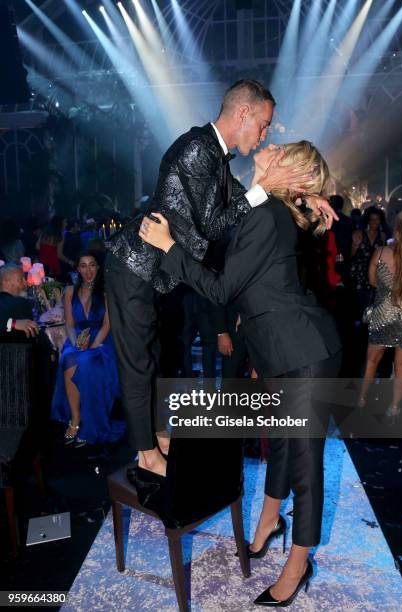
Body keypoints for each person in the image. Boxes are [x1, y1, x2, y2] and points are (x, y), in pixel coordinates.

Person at [105, 79, 337, 486]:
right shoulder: (199, 149)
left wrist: (303, 196)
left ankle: (159, 438)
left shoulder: (217, 158)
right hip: (134, 263)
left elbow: (240, 214)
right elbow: (214, 226)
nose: (265, 134)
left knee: (157, 357)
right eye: (263, 124)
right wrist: (264, 189)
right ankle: (145, 454)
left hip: (158, 274)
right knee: (138, 360)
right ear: (243, 113)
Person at [139, 140, 342, 607]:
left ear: (287, 171)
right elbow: (232, 219)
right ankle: (269, 520)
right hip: (281, 349)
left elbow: (221, 287)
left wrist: (168, 246)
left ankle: (298, 564)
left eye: (279, 147)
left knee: (305, 464)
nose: (268, 144)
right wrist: (305, 199)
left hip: (304, 351)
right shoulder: (265, 208)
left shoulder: (269, 215)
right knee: (284, 445)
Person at [51, 252, 124, 447]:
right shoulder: (69, 292)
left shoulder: (106, 291)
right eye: (83, 265)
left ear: (98, 267)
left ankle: (90, 424)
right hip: (77, 337)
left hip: (101, 340)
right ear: (77, 269)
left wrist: (90, 347)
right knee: (68, 358)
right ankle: (75, 419)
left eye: (92, 265)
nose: (88, 270)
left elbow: (107, 324)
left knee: (85, 361)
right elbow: (69, 324)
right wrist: (75, 344)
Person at [358, 211, 402, 418]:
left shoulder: (380, 253)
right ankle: (394, 406)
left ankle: (361, 399)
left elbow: (372, 281)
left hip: (382, 315)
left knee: (371, 361)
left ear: (396, 232)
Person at [0, 264, 39, 339]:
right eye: (21, 279)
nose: (26, 283)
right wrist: (12, 323)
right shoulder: (20, 303)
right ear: (6, 282)